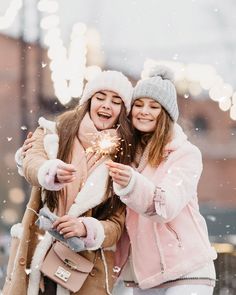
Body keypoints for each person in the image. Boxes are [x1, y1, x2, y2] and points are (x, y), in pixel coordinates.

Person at [3, 70, 134, 295]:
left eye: (116, 101)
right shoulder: (54, 132)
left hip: (83, 264)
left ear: (122, 111)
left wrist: (86, 228)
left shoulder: (123, 158)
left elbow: (116, 223)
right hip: (38, 249)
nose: (106, 105)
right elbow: (32, 160)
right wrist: (49, 171)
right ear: (89, 100)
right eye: (100, 97)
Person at [106, 65, 217, 295]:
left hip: (187, 271)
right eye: (138, 104)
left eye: (154, 106)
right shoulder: (125, 155)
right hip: (145, 276)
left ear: (165, 114)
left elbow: (165, 206)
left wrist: (132, 184)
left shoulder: (185, 154)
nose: (144, 111)